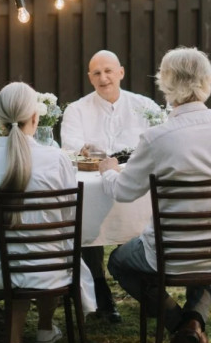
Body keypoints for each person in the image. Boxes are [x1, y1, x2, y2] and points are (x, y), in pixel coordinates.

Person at [99, 47, 211, 343]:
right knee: (207, 260)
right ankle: (194, 325)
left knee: (119, 262)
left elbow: (124, 192)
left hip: (167, 253)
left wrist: (108, 171)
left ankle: (180, 325)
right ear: (207, 81)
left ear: (165, 83)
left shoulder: (157, 138)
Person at [0, 82, 97, 343]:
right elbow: (67, 219)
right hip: (53, 269)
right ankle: (45, 328)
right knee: (48, 249)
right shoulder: (57, 159)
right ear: (35, 118)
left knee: (18, 258)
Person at [60, 50, 161, 323]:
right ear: (90, 78)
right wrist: (84, 150)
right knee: (86, 220)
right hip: (94, 185)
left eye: (108, 71)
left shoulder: (145, 106)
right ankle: (100, 292)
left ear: (121, 72)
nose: (103, 78)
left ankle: (150, 290)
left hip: (135, 184)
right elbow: (70, 148)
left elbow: (158, 139)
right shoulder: (76, 110)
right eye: (97, 73)